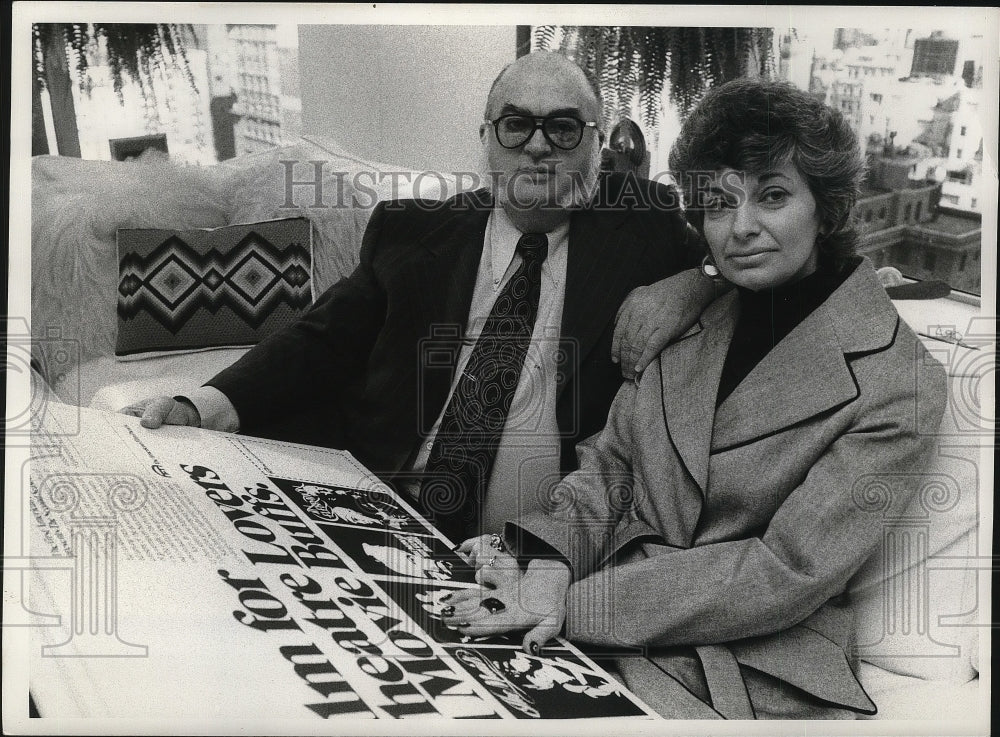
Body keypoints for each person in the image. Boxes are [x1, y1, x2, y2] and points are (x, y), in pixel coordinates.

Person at [441, 78, 948, 720]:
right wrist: (549, 560)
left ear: (828, 206)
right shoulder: (681, 316)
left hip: (743, 658)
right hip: (587, 607)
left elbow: (787, 570)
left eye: (772, 197)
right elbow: (611, 468)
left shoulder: (898, 378)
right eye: (717, 203)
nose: (740, 228)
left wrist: (578, 603)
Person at [125, 51, 708, 541]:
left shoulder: (645, 229)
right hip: (383, 506)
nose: (537, 146)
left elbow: (745, 258)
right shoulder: (412, 230)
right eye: (515, 124)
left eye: (562, 127)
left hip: (541, 544)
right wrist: (202, 405)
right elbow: (321, 339)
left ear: (595, 144)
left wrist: (697, 284)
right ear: (486, 138)